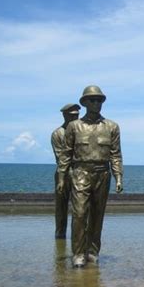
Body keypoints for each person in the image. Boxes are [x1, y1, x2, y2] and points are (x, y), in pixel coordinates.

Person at [57, 85, 123, 268]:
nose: (97, 103)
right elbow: (65, 154)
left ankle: (93, 251)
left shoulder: (112, 127)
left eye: (100, 100)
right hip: (80, 172)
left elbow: (116, 155)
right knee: (79, 213)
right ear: (85, 103)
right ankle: (78, 253)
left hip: (103, 173)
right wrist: (62, 178)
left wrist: (118, 177)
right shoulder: (74, 126)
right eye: (92, 100)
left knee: (97, 215)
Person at [51, 103, 80, 239]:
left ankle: (78, 237)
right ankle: (60, 235)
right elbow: (60, 156)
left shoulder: (81, 133)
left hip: (79, 174)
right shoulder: (57, 134)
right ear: (65, 115)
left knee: (79, 208)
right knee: (61, 208)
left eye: (77, 115)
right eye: (72, 115)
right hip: (63, 173)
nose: (75, 118)